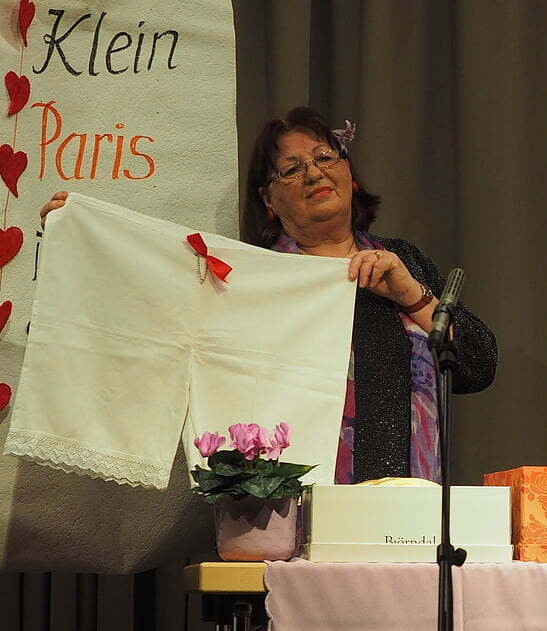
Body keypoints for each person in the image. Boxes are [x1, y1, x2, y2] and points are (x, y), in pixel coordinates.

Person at [39, 106, 497, 485]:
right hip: (290, 507)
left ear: (349, 174)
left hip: (409, 506)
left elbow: (477, 367)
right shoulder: (250, 280)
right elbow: (147, 324)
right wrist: (86, 235)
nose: (313, 172)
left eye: (325, 156)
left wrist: (412, 296)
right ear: (268, 200)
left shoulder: (401, 261)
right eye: (291, 169)